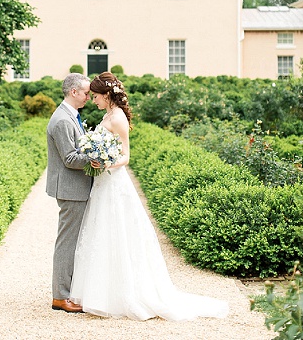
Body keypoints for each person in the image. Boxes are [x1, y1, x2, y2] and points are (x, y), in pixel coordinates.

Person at [69, 72, 229, 320]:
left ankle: (123, 294)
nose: (94, 100)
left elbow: (125, 157)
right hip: (102, 184)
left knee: (117, 232)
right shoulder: (107, 115)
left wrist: (105, 164)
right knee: (101, 233)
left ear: (107, 95)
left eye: (97, 96)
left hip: (113, 183)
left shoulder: (118, 118)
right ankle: (100, 293)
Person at [46, 72, 93, 313]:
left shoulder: (70, 115)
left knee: (73, 242)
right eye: (86, 92)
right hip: (71, 189)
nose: (88, 96)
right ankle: (60, 297)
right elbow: (70, 158)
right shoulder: (63, 120)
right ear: (73, 92)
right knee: (67, 243)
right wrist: (98, 157)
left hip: (74, 188)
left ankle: (69, 291)